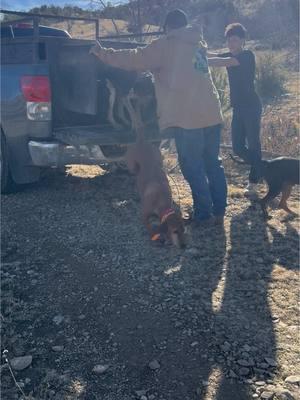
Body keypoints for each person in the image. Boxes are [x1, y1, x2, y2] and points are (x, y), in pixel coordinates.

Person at [90, 9, 227, 227]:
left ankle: (204, 214)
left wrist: (103, 53)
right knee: (213, 163)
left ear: (168, 28)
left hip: (186, 117)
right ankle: (219, 210)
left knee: (192, 166)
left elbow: (134, 59)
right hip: (211, 113)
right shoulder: (198, 43)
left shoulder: (166, 44)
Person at [207, 23, 262, 198]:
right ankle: (264, 167)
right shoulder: (230, 54)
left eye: (235, 40)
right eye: (229, 40)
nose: (231, 43)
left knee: (253, 144)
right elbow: (215, 55)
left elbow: (222, 61)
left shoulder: (246, 55)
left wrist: (200, 60)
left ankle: (254, 181)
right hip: (238, 108)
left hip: (252, 107)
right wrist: (197, 50)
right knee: (238, 147)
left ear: (242, 41)